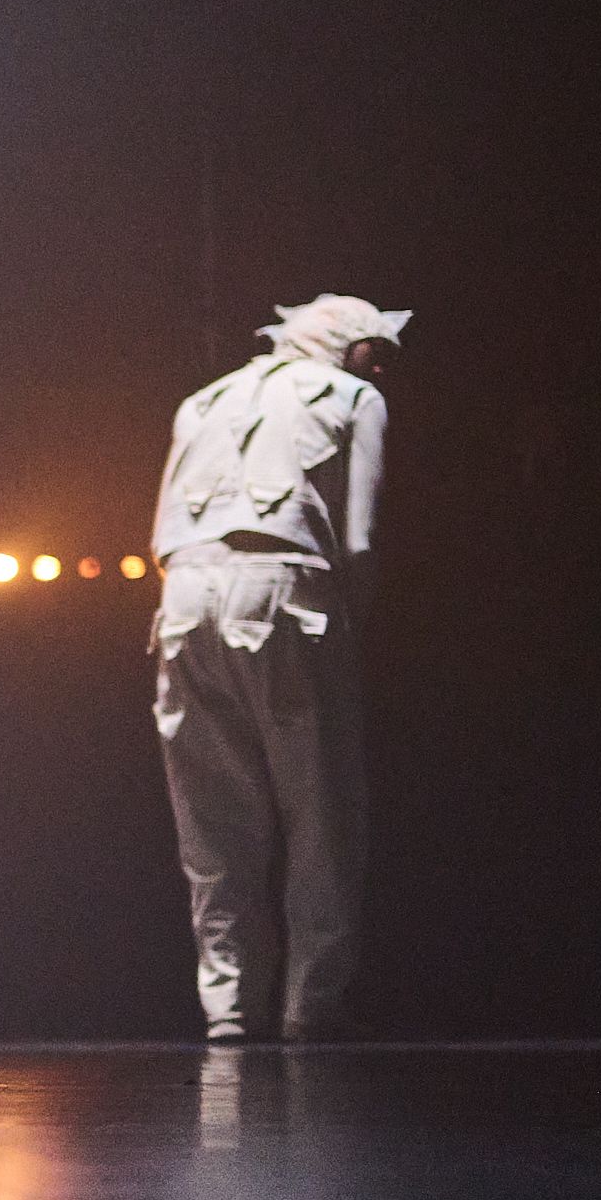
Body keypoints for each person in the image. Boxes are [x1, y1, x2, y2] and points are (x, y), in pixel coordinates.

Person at [150, 295, 402, 1041]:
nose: (384, 367)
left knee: (211, 817)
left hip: (185, 601)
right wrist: (351, 623)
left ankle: (226, 1003)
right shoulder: (358, 398)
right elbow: (357, 536)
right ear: (349, 346)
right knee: (320, 808)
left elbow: (163, 526)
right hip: (291, 593)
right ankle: (310, 1002)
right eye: (377, 350)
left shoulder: (202, 400)